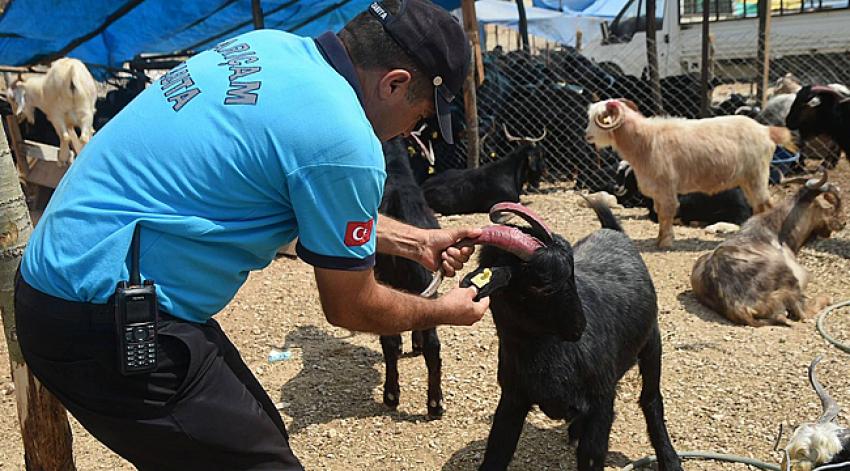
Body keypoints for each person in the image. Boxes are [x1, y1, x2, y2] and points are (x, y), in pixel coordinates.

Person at [13, 1, 489, 469]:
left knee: (260, 431)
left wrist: (416, 241)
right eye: (420, 116)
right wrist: (441, 312)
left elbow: (314, 199)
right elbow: (349, 304)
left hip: (64, 271)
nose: (409, 133)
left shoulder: (268, 48)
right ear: (395, 83)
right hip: (98, 316)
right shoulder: (346, 141)